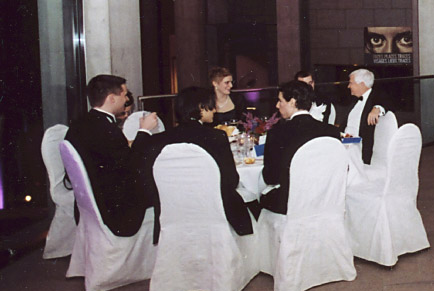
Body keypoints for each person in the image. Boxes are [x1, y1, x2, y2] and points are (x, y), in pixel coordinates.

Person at [143, 86, 254, 243]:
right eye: (211, 105)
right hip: (212, 213)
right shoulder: (216, 137)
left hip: (173, 214)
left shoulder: (158, 140)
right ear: (201, 108)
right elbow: (231, 181)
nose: (215, 110)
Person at [64, 75, 158, 237]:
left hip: (89, 205)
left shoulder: (79, 124)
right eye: (124, 94)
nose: (127, 99)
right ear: (112, 99)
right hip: (115, 210)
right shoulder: (107, 129)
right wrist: (144, 131)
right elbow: (132, 166)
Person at [260, 80, 342, 214]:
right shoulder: (331, 131)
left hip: (291, 203)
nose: (277, 105)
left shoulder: (277, 133)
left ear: (292, 102)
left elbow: (270, 178)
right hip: (326, 200)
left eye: (280, 101)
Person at [336, 68, 390, 165]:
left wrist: (377, 108)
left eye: (351, 83)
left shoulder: (376, 97)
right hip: (346, 138)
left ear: (361, 84)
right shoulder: (354, 100)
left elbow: (388, 103)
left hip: (356, 141)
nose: (348, 86)